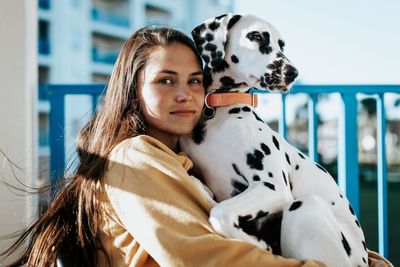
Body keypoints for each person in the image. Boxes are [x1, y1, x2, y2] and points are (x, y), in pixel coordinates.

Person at [0, 27, 392, 267]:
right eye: (166, 81)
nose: (185, 95)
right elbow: (200, 257)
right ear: (133, 90)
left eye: (194, 80)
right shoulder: (135, 156)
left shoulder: (182, 160)